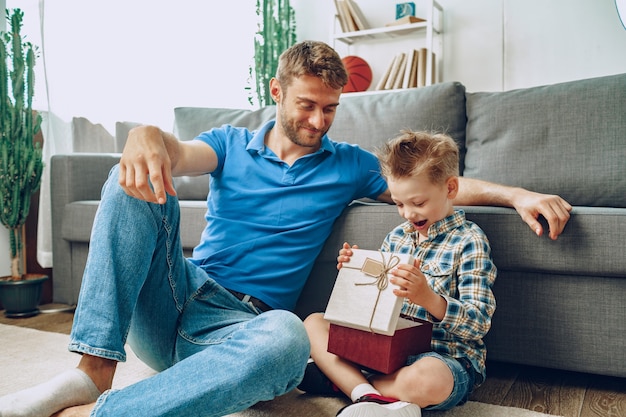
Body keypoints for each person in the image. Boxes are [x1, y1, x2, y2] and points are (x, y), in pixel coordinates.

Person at [0, 41, 571, 417]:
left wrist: (516, 193)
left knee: (289, 337)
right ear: (276, 95)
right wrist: (149, 135)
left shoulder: (346, 163)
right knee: (130, 179)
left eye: (330, 108)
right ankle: (92, 371)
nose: (318, 121)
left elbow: (432, 184)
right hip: (178, 294)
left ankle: (116, 412)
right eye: (306, 106)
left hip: (241, 329)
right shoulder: (228, 144)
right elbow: (175, 154)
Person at [301, 131, 498, 417]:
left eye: (417, 203)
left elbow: (478, 324)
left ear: (450, 188)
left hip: (445, 358)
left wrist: (428, 298)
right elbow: (374, 309)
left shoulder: (470, 241)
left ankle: (344, 383)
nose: (407, 213)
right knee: (313, 323)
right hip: (384, 354)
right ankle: (369, 395)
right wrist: (354, 272)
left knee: (428, 380)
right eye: (399, 204)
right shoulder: (397, 238)